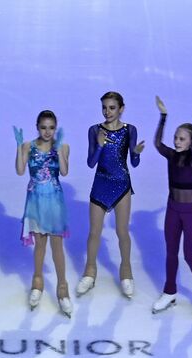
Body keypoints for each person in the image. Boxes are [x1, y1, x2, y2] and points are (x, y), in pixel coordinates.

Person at [79, 91, 143, 298]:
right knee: (94, 233)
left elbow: (133, 163)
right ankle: (90, 271)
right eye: (104, 107)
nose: (107, 111)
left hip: (122, 184)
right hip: (100, 184)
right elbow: (90, 163)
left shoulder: (129, 130)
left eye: (112, 107)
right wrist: (99, 145)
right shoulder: (94, 130)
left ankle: (126, 272)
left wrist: (136, 153)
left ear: (121, 109)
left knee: (122, 232)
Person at [14, 110, 72, 317]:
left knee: (57, 248)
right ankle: (37, 282)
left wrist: (59, 151)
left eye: (51, 128)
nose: (47, 132)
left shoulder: (63, 146)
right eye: (43, 127)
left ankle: (62, 288)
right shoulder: (28, 146)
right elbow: (20, 171)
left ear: (55, 128)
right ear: (37, 127)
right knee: (39, 246)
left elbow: (64, 172)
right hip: (36, 200)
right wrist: (20, 148)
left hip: (54, 201)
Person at [148, 97, 192, 314]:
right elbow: (157, 143)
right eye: (176, 138)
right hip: (172, 210)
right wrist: (163, 116)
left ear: (191, 142)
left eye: (182, 139)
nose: (177, 141)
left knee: (188, 254)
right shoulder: (170, 155)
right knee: (170, 252)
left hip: (191, 213)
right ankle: (170, 292)